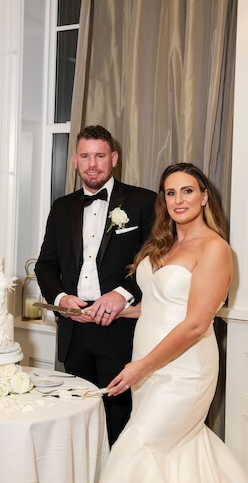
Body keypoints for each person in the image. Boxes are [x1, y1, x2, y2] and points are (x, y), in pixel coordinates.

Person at [100, 162, 248, 482]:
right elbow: (158, 304)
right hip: (147, 363)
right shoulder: (164, 244)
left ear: (204, 197)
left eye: (187, 191)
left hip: (184, 371)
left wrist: (142, 366)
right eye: (171, 193)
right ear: (164, 200)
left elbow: (195, 324)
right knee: (175, 451)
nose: (179, 200)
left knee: (138, 447)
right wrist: (115, 311)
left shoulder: (215, 248)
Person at [35, 125, 156, 446]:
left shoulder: (144, 202)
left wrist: (122, 294)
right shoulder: (62, 207)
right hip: (75, 330)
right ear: (75, 160)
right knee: (77, 416)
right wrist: (62, 298)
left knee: (120, 416)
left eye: (100, 155)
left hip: (122, 329)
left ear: (113, 158)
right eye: (86, 156)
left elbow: (156, 259)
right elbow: (45, 264)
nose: (92, 163)